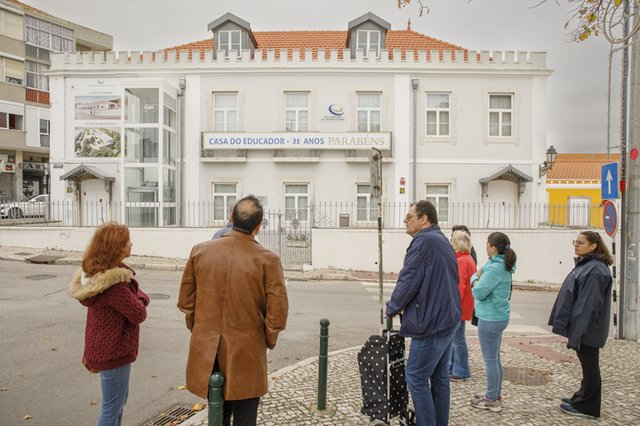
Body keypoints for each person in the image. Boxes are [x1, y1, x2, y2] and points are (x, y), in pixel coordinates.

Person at [178, 195, 289, 426]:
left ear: (230, 218)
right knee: (245, 417)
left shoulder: (200, 251)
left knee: (217, 415)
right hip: (247, 352)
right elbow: (277, 315)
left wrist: (201, 330)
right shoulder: (268, 260)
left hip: (208, 350)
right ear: (259, 227)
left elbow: (186, 302)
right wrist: (265, 340)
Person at [386, 200, 461, 426]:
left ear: (424, 218)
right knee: (439, 379)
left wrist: (391, 308)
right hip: (447, 319)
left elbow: (409, 280)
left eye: (409, 216)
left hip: (431, 322)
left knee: (416, 377)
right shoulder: (441, 239)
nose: (404, 221)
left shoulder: (423, 242)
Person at [69, 222, 149, 426]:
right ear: (118, 247)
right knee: (112, 408)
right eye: (128, 240)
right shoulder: (115, 284)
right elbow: (138, 314)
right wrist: (141, 298)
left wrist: (136, 295)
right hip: (114, 352)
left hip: (103, 347)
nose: (132, 243)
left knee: (117, 404)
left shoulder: (97, 275)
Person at [548, 231, 613, 420]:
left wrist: (577, 333)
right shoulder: (589, 265)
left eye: (581, 242)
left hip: (588, 329)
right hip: (584, 327)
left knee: (591, 366)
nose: (576, 245)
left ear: (593, 246)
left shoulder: (595, 271)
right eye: (575, 242)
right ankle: (581, 397)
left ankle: (589, 406)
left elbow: (588, 306)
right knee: (588, 365)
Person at [470, 231, 516, 413]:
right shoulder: (501, 264)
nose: (485, 247)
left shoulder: (495, 268)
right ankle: (494, 394)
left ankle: (492, 399)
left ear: (493, 247)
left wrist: (474, 278)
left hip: (490, 318)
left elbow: (478, 291)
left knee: (490, 360)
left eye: (487, 244)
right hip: (498, 316)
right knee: (495, 358)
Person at [449, 230, 477, 381]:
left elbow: (459, 286)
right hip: (465, 304)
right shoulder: (469, 259)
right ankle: (454, 367)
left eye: (452, 240)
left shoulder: (461, 261)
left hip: (458, 305)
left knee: (457, 339)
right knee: (456, 338)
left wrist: (452, 305)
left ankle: (461, 370)